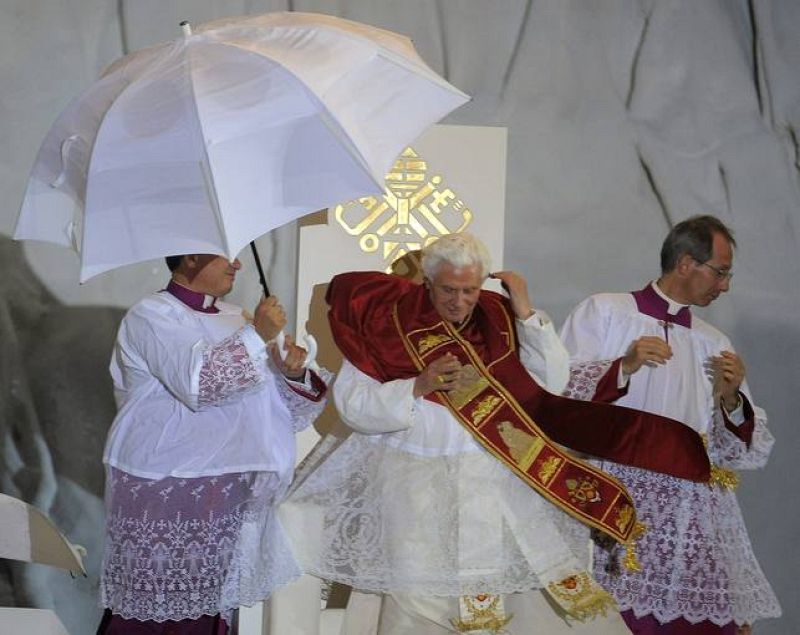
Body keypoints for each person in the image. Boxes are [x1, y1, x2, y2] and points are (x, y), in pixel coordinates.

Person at [280, 233, 634, 634]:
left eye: (470, 290)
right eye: (449, 290)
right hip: (413, 482)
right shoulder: (385, 324)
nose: (460, 301)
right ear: (427, 281)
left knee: (508, 591)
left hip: (490, 479)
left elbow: (550, 382)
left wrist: (525, 311)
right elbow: (353, 405)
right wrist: (417, 385)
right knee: (417, 598)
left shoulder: (498, 319)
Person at [560, 215, 781, 634]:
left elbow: (737, 452)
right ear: (685, 263)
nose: (725, 286)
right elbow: (558, 397)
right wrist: (623, 367)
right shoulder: (605, 312)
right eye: (720, 272)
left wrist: (732, 399)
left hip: (687, 514)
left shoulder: (713, 342)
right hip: (614, 499)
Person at [96, 254, 331, 634]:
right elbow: (198, 385)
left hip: (227, 486)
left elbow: (284, 412)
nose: (237, 265)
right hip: (164, 485)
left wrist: (292, 373)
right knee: (148, 612)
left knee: (211, 612)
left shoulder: (239, 317)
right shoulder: (152, 315)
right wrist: (256, 336)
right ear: (191, 256)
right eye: (227, 256)